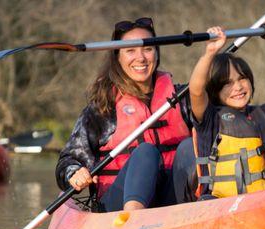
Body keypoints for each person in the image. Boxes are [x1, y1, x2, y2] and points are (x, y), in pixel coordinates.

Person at [55, 17, 195, 212]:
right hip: (117, 205)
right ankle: (133, 219)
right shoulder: (103, 108)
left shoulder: (182, 98)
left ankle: (193, 216)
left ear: (156, 53)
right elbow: (67, 162)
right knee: (145, 152)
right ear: (117, 57)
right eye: (130, 50)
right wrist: (75, 172)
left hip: (171, 202)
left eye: (148, 49)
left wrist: (213, 53)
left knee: (190, 147)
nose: (141, 58)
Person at [189, 23, 265, 199]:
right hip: (218, 205)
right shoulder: (209, 118)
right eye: (227, 83)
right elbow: (196, 90)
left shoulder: (263, 116)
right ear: (215, 89)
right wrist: (210, 53)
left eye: (242, 78)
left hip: (260, 203)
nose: (238, 87)